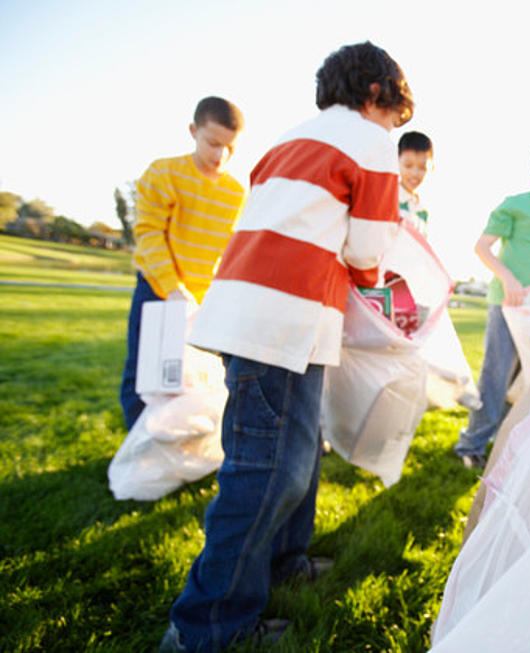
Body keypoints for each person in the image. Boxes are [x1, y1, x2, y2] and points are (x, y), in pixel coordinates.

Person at [158, 41, 413, 652]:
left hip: (268, 319)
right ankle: (206, 628)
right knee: (269, 472)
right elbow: (367, 250)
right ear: (376, 95)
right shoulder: (370, 140)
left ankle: (284, 563)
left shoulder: (287, 139)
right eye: (394, 116)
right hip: (282, 322)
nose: (392, 130)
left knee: (297, 454)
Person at [119, 96, 246, 430]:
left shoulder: (235, 192)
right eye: (213, 143)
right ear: (193, 131)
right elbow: (148, 234)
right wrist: (173, 288)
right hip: (159, 290)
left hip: (202, 299)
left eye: (230, 148)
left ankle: (181, 443)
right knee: (145, 373)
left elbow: (229, 249)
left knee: (192, 377)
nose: (221, 155)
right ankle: (141, 447)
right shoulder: (164, 173)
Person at [452, 140, 530, 469]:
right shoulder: (516, 205)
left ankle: (502, 437)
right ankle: (471, 444)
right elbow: (483, 248)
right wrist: (508, 279)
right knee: (496, 375)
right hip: (506, 304)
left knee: (522, 380)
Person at [397, 130, 433, 236]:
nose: (414, 174)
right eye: (408, 165)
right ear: (397, 161)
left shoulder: (423, 210)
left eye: (422, 167)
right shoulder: (388, 200)